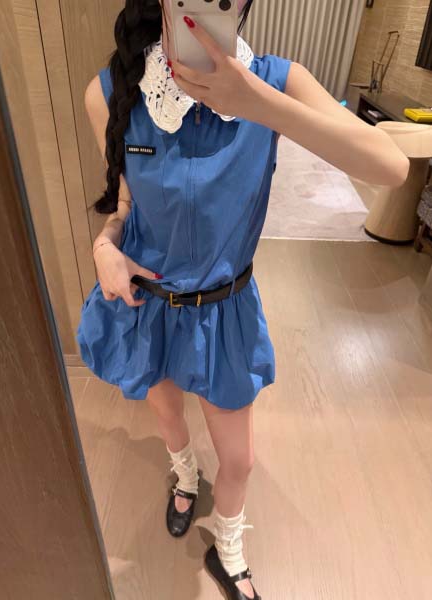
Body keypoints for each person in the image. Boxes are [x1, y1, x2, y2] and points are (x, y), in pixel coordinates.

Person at [77, 1, 410, 598]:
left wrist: (256, 102)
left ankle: (229, 549)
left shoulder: (278, 81)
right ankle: (184, 477)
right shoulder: (112, 91)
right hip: (147, 305)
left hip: (224, 312)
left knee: (240, 460)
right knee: (168, 417)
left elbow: (390, 167)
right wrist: (105, 245)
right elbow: (125, 207)